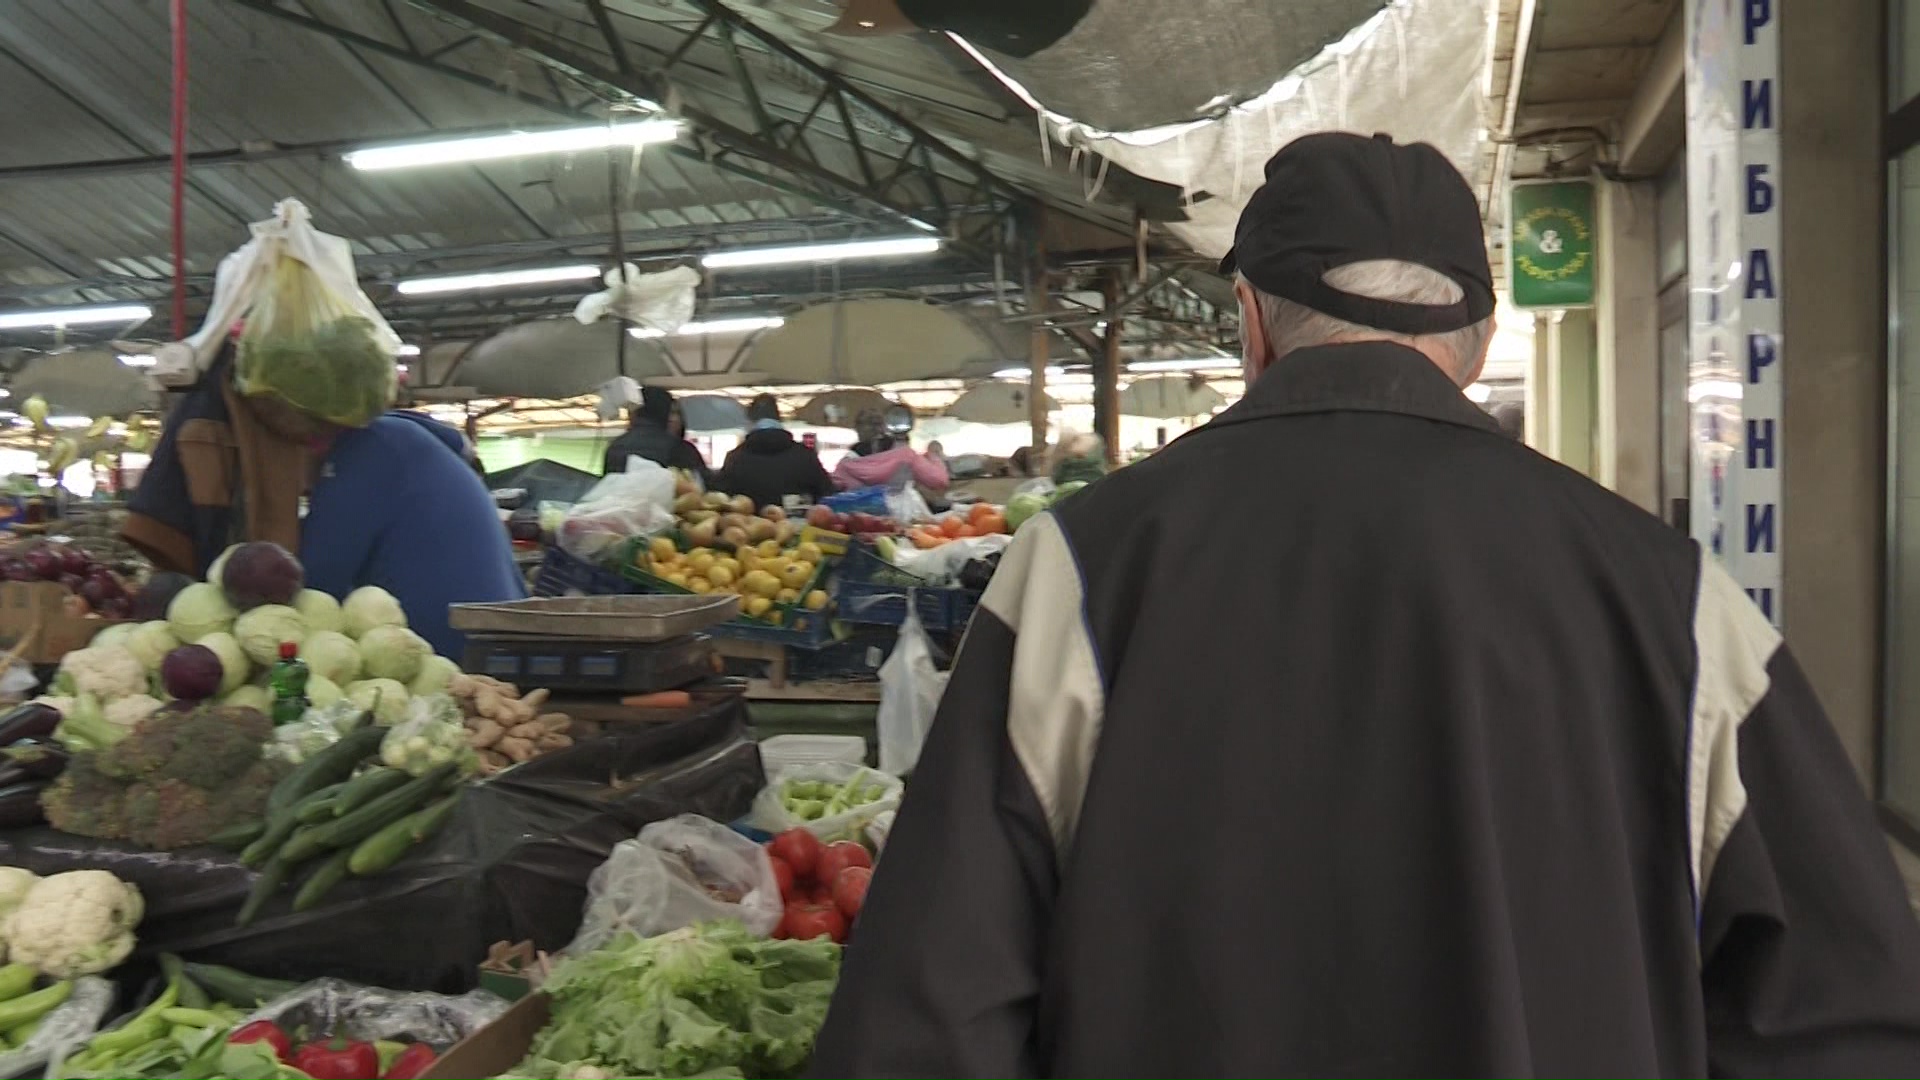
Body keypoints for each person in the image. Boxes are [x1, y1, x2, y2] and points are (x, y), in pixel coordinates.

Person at [807, 133, 1920, 1080]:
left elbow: (928, 1019)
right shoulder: (1673, 598)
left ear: (1248, 321)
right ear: (1478, 345)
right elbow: (1846, 1013)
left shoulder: (1080, 568)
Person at [123, 344, 523, 659]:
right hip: (488, 647)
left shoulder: (368, 455)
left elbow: (312, 583)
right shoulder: (400, 441)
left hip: (455, 663)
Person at [715, 394, 832, 511]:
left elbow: (722, 502)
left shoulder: (734, 459)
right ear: (779, 419)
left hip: (746, 527)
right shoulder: (806, 456)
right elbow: (828, 496)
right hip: (799, 526)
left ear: (750, 421)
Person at [603, 386, 711, 485]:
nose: (673, 419)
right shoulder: (680, 448)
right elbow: (699, 488)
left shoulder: (614, 447)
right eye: (672, 412)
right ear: (664, 413)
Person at [833, 409, 950, 493]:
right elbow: (939, 480)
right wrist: (934, 454)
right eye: (872, 423)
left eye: (877, 423)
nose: (876, 428)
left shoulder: (845, 466)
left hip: (859, 520)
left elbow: (831, 488)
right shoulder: (906, 456)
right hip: (904, 517)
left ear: (857, 428)